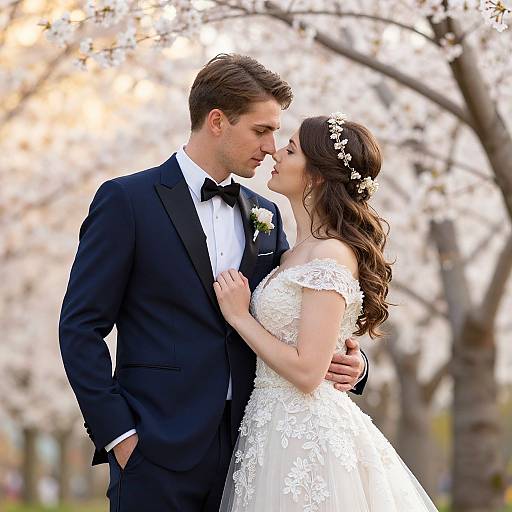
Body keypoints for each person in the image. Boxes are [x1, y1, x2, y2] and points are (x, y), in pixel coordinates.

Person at [58, 55, 369, 512]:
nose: (270, 147)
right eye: (261, 130)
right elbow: (80, 327)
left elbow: (297, 312)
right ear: (218, 121)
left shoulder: (266, 213)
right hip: (154, 452)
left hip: (254, 454)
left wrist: (354, 365)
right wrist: (118, 435)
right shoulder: (127, 201)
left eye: (276, 134)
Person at [215, 114, 439, 511]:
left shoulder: (330, 254)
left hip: (305, 434)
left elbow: (306, 372)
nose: (275, 152)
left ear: (316, 175)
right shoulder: (290, 251)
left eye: (290, 149)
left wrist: (239, 316)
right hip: (269, 425)